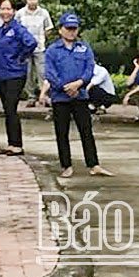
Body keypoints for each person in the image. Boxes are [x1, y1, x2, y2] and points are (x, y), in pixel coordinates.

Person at [44, 12, 113, 178]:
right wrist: (64, 87)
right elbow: (50, 73)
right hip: (60, 97)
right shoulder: (53, 50)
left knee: (86, 131)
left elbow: (90, 69)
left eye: (74, 29)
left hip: (80, 95)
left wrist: (79, 83)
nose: (71, 32)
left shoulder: (84, 48)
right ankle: (66, 165)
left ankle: (93, 164)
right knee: (62, 132)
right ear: (60, 30)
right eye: (68, 28)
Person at [0, 0, 37, 155]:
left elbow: (31, 42)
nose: (5, 12)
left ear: (13, 11)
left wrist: (21, 57)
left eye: (8, 9)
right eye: (2, 9)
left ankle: (17, 145)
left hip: (15, 73)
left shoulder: (17, 28)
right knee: (7, 109)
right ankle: (11, 143)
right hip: (3, 73)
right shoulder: (1, 29)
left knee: (11, 108)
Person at [15, 0, 54, 106]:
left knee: (42, 72)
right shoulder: (20, 13)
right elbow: (16, 28)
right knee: (27, 73)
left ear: (38, 0)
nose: (32, 1)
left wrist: (41, 38)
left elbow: (49, 28)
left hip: (40, 47)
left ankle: (44, 95)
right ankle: (31, 97)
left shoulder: (44, 13)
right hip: (25, 48)